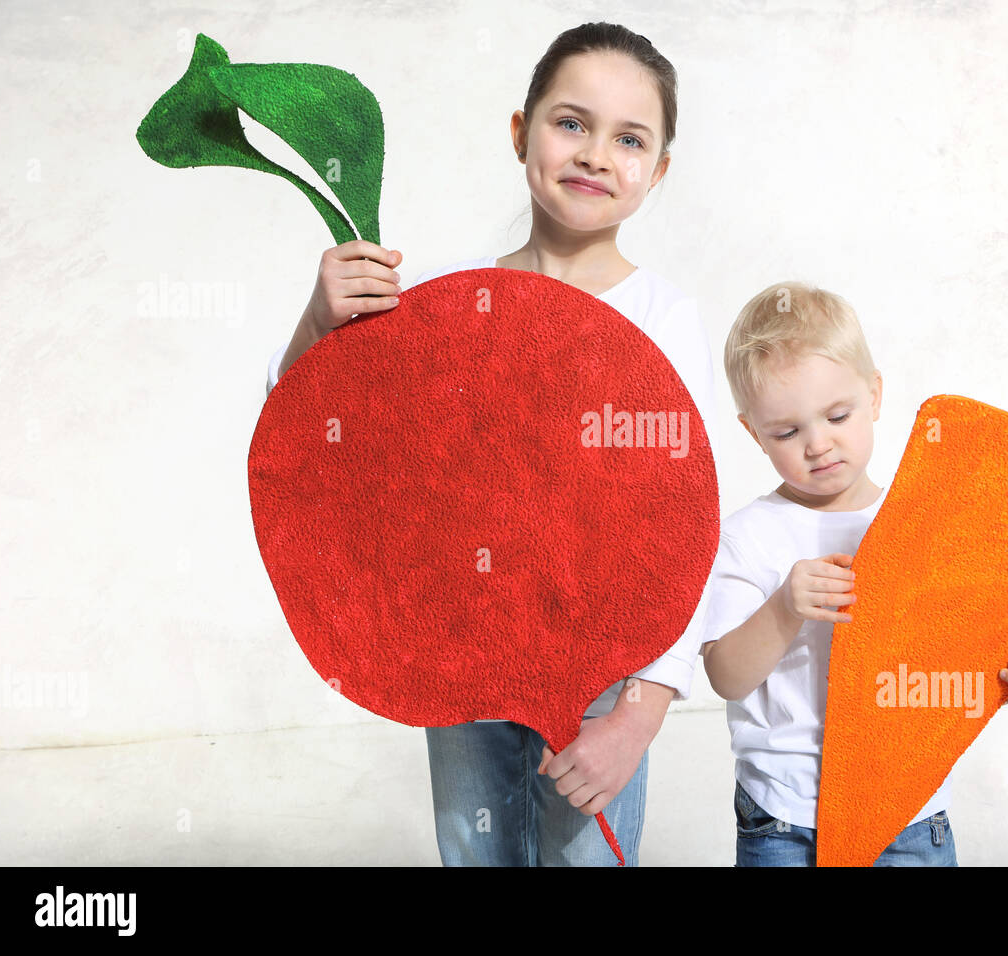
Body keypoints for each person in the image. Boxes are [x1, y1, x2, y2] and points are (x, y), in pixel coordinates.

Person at [263, 23, 717, 866]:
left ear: (657, 171)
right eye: (570, 122)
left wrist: (639, 716)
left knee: (587, 855)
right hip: (459, 650)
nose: (594, 154)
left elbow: (687, 530)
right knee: (476, 855)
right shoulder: (450, 302)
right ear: (522, 133)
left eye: (630, 139)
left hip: (603, 672)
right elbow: (317, 436)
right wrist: (319, 322)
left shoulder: (664, 320)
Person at [700, 282, 1008, 866]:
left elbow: (961, 651)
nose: (818, 444)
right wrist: (783, 608)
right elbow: (726, 677)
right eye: (787, 432)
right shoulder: (749, 536)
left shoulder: (927, 521)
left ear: (875, 395)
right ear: (753, 434)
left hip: (909, 811)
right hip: (788, 818)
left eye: (837, 415)